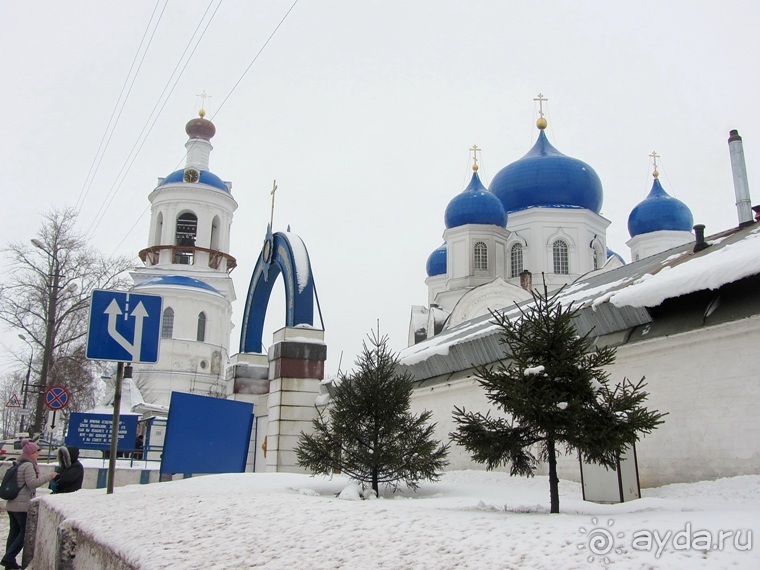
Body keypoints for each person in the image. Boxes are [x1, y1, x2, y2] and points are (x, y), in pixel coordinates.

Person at [2, 439, 57, 569]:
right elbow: (32, 484)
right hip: (21, 505)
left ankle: (9, 562)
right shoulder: (28, 466)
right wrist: (49, 476)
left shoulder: (18, 464)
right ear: (31, 453)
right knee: (24, 531)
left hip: (12, 504)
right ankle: (8, 558)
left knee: (14, 532)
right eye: (36, 452)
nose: (38, 454)